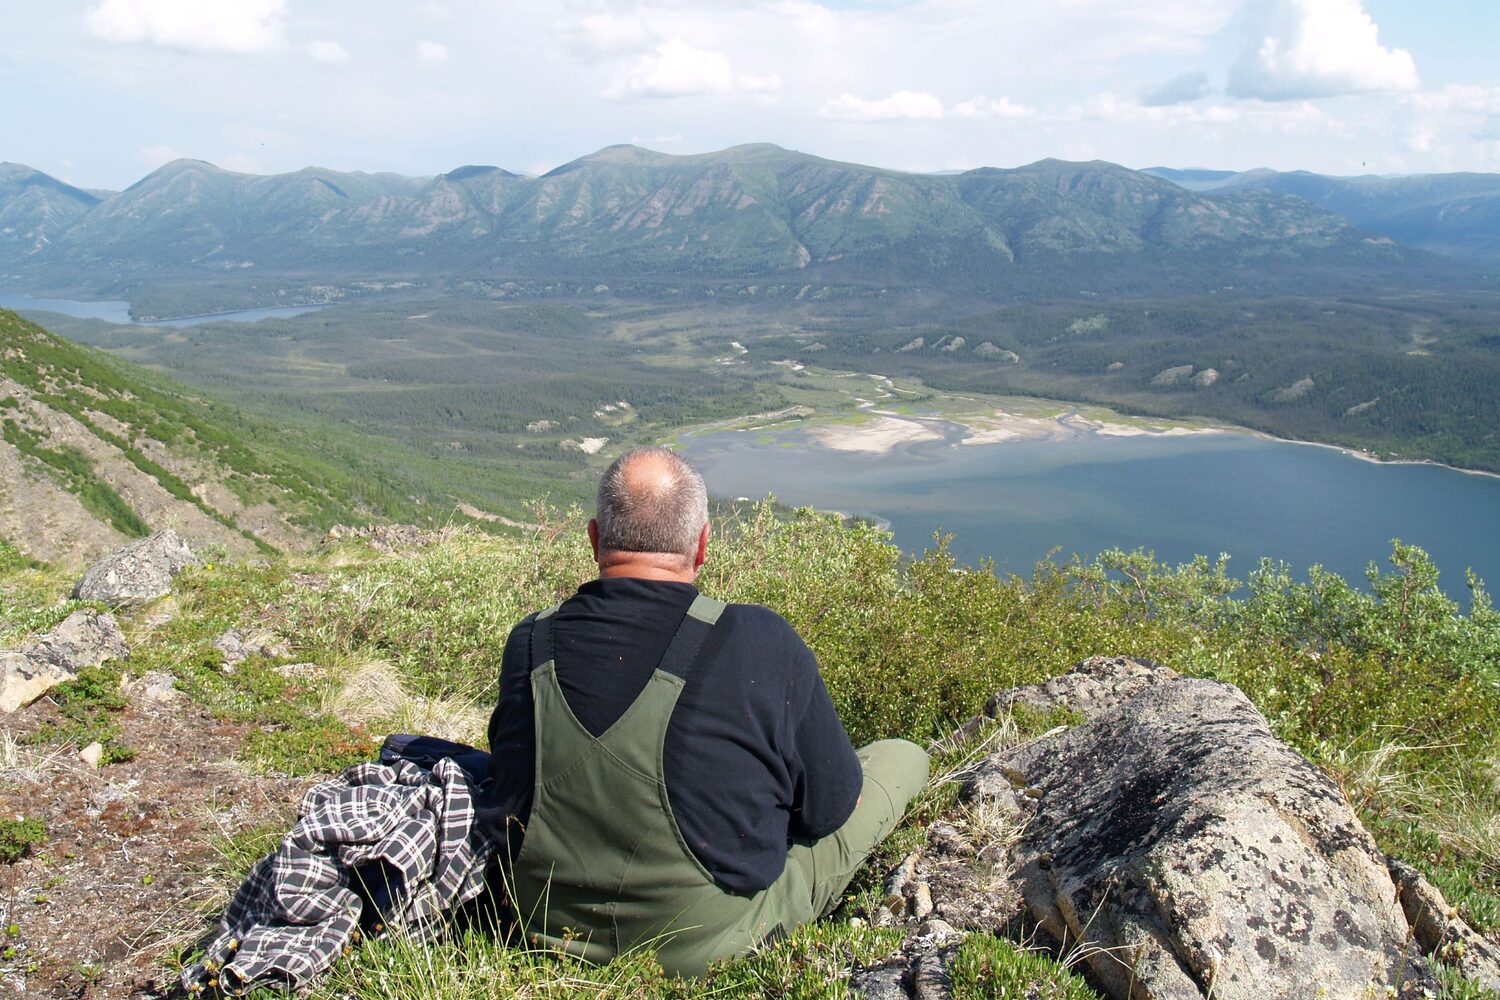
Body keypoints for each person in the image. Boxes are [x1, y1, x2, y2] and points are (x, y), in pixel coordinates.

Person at [484, 445, 929, 976]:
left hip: (548, 927)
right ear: (702, 544)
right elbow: (829, 809)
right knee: (901, 757)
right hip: (706, 945)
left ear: (595, 539)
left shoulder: (531, 642)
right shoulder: (760, 638)